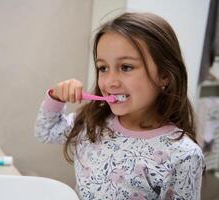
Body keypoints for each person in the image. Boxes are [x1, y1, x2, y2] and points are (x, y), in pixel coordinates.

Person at [34, 12, 205, 200]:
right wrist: (56, 97)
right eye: (103, 68)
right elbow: (46, 131)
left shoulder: (183, 156)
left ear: (164, 75)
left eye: (126, 67)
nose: (110, 82)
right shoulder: (93, 122)